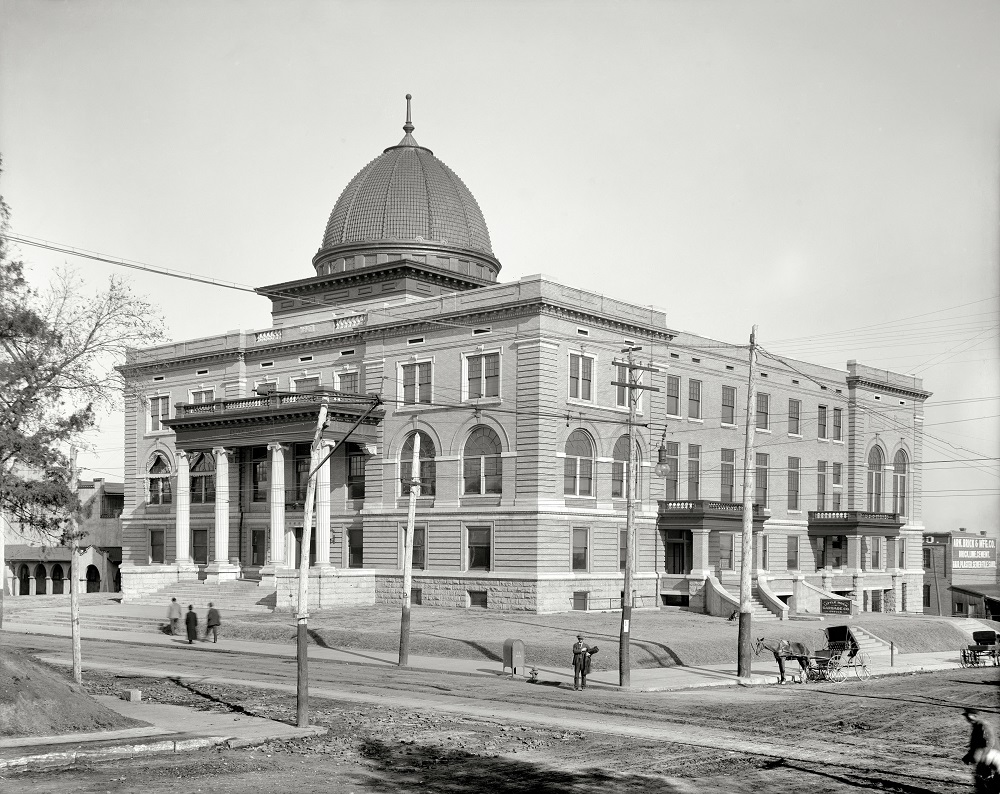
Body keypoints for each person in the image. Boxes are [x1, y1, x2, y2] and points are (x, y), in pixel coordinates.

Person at [963, 708, 1000, 793]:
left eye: (969, 716)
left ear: (975, 716)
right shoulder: (977, 726)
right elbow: (976, 744)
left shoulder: (983, 724)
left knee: (982, 778)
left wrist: (982, 757)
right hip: (988, 754)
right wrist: (969, 755)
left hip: (992, 754)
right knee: (983, 779)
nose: (967, 718)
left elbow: (989, 742)